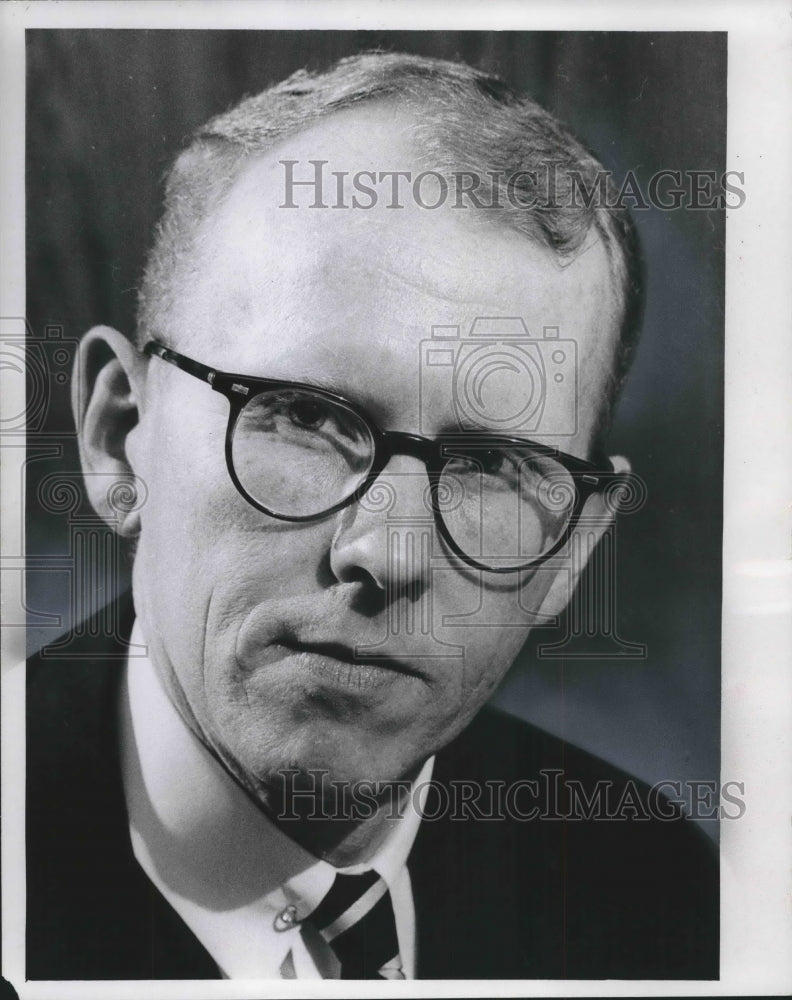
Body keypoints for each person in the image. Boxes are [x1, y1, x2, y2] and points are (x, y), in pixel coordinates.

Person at [26, 52, 717, 981]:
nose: (384, 553)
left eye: (492, 467)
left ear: (575, 549)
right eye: (308, 418)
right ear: (119, 436)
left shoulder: (657, 898)